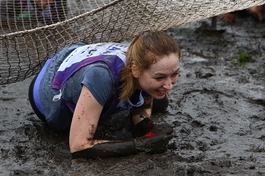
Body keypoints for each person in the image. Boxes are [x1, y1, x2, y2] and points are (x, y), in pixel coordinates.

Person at [28, 30, 180, 159]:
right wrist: (141, 145)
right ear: (135, 69)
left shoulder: (146, 60)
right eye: (160, 77)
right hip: (50, 87)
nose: (169, 85)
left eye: (174, 74)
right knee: (62, 125)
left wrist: (143, 125)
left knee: (161, 101)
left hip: (85, 55)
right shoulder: (101, 78)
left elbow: (144, 103)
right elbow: (78, 146)